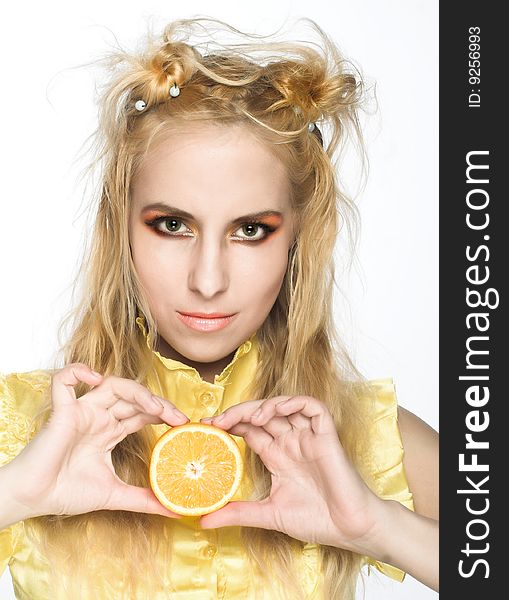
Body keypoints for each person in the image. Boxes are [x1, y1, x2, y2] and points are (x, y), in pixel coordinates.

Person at [0, 16, 438, 600]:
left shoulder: (366, 435)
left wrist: (378, 527)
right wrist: (15, 496)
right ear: (121, 229)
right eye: (172, 225)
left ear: (298, 239)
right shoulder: (24, 430)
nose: (208, 281)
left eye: (251, 229)